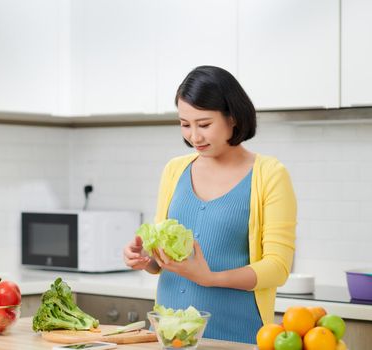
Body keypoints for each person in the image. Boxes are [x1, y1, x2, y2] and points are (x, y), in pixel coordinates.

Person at [123, 65, 296, 344]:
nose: (194, 136)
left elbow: (278, 267)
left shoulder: (270, 175)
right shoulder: (174, 170)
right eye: (184, 124)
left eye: (204, 124)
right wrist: (147, 259)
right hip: (171, 336)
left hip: (237, 336)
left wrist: (210, 278)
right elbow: (164, 260)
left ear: (233, 117)